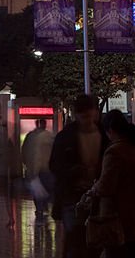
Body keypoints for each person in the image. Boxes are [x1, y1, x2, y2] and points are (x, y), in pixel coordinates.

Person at [83, 110, 135, 258]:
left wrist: (93, 189)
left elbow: (106, 186)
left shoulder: (115, 151)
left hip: (117, 219)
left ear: (111, 130)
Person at [50, 95, 106, 258]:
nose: (86, 120)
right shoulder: (65, 137)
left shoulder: (103, 134)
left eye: (89, 115)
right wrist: (73, 171)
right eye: (83, 116)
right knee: (75, 237)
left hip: (96, 195)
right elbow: (55, 165)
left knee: (94, 240)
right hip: (72, 195)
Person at [21, 117, 55, 221]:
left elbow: (25, 151)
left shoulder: (30, 136)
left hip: (35, 168)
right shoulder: (50, 136)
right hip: (47, 168)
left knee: (37, 191)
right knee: (47, 189)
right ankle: (44, 208)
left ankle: (40, 210)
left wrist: (26, 163)